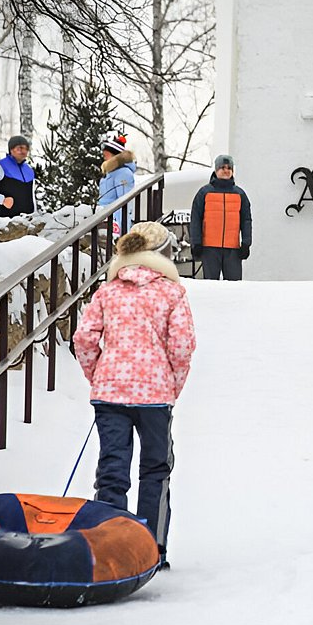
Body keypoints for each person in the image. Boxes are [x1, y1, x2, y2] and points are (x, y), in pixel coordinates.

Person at [72, 221, 196, 569]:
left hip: (110, 393)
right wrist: (172, 386)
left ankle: (110, 549)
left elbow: (83, 340)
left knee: (112, 469)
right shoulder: (172, 292)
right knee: (155, 469)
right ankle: (151, 549)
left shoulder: (107, 292)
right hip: (155, 395)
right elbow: (183, 347)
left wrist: (98, 375)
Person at [189, 154, 253, 280]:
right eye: (222, 167)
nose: (226, 170)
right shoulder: (204, 193)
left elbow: (246, 220)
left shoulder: (240, 194)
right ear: (216, 169)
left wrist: (246, 243)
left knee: (234, 286)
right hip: (209, 249)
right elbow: (195, 219)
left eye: (229, 168)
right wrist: (196, 243)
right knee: (211, 285)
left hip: (232, 250)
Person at [98, 135, 137, 236]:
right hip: (105, 217)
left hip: (114, 221)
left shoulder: (123, 173)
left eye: (107, 154)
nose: (104, 157)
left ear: (115, 156)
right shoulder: (110, 173)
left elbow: (124, 202)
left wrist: (121, 230)